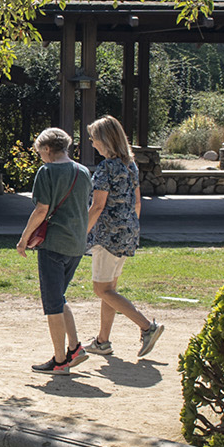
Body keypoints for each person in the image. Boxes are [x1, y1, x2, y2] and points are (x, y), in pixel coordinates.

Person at [82, 115, 163, 359]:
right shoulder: (131, 165)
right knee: (110, 288)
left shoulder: (106, 168)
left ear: (104, 140)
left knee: (102, 290)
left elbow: (97, 207)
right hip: (128, 233)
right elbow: (137, 201)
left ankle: (148, 327)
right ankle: (102, 341)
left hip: (108, 236)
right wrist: (130, 228)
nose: (91, 142)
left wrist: (80, 232)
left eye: (93, 138)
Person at [16, 127, 92, 373]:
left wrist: (24, 238)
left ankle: (60, 361)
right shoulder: (83, 171)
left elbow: (41, 210)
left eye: (40, 151)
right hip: (77, 244)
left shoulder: (47, 172)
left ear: (48, 149)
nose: (40, 156)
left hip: (53, 245)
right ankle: (75, 348)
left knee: (52, 304)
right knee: (59, 297)